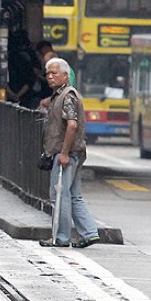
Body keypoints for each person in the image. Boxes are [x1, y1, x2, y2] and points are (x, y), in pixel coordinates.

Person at [40, 56, 100, 248]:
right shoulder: (60, 95)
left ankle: (61, 237)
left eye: (54, 73)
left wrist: (64, 153)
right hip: (73, 152)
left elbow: (72, 125)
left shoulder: (67, 96)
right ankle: (89, 233)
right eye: (48, 73)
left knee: (60, 194)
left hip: (66, 153)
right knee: (73, 194)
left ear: (65, 76)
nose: (50, 76)